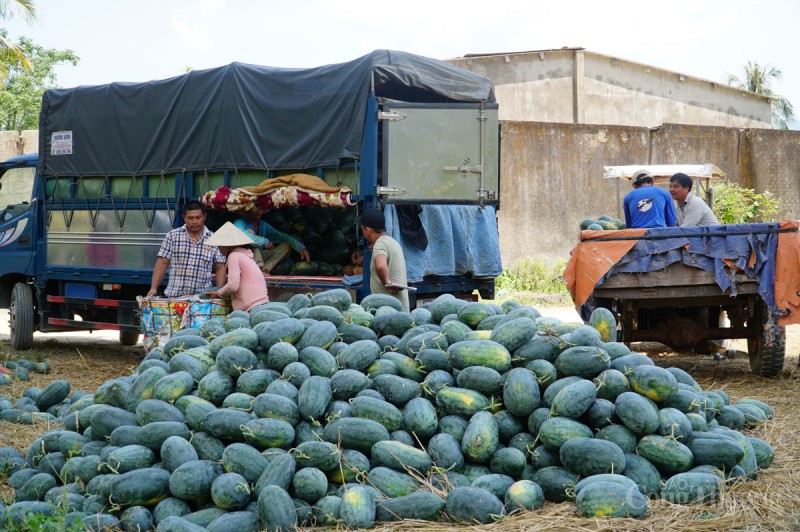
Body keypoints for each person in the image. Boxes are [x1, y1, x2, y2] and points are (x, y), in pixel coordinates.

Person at [147, 200, 226, 298]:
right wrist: (153, 288)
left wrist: (218, 291)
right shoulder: (172, 236)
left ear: (204, 217)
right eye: (190, 218)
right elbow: (162, 263)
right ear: (184, 218)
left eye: (198, 218)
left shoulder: (214, 239)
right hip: (174, 297)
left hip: (201, 299)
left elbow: (220, 267)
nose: (195, 222)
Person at [204, 222, 270, 311]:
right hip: (261, 302)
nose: (219, 249)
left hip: (252, 305)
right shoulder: (245, 255)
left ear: (227, 246)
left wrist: (218, 293)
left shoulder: (234, 256)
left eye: (220, 246)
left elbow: (233, 286)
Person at [359, 208, 410, 312]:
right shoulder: (391, 241)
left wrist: (387, 283)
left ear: (368, 230)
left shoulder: (380, 244)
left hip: (389, 313)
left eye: (362, 229)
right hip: (399, 310)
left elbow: (381, 266)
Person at [233, 206, 311, 274]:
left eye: (260, 209)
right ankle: (256, 270)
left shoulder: (263, 225)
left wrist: (300, 248)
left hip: (258, 258)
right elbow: (243, 235)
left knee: (286, 245)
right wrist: (264, 242)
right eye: (255, 210)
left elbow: (283, 237)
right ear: (248, 210)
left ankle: (265, 270)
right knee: (251, 232)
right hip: (243, 258)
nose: (259, 212)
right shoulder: (239, 222)